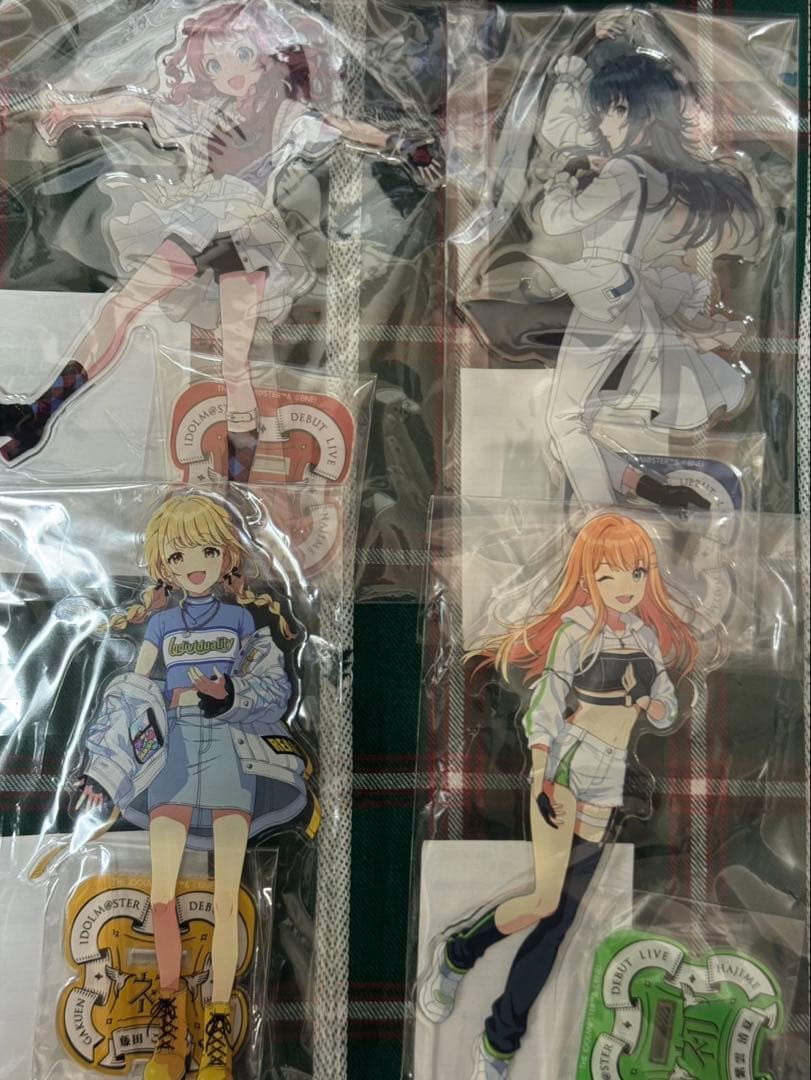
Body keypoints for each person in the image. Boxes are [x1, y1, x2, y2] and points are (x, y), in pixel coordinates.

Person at [0, 0, 438, 473]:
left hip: (243, 236)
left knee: (233, 361)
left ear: (268, 56)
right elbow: (141, 106)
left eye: (242, 56)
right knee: (122, 309)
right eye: (213, 64)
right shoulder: (200, 111)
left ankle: (237, 477)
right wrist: (71, 109)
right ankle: (41, 412)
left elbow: (340, 127)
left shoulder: (287, 117)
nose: (229, 72)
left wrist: (398, 143)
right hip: (197, 224)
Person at [419, 513, 698, 1079]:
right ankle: (458, 953)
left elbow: (668, 707)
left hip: (609, 779)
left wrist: (649, 702)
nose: (626, 586)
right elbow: (546, 704)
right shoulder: (575, 632)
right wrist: (542, 773)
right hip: (567, 769)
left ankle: (500, 1042)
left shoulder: (645, 638)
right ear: (589, 575)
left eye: (636, 573)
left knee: (560, 922)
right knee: (545, 901)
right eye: (610, 573)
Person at [76, 492, 314, 1080]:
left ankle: (215, 1030)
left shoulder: (243, 620)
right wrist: (103, 769)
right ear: (166, 564)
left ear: (227, 556)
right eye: (181, 555)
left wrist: (229, 695)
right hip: (173, 752)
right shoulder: (161, 623)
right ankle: (168, 1025)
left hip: (228, 750)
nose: (196, 564)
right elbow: (130, 695)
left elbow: (273, 689)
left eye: (208, 550)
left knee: (227, 897)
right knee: (162, 898)